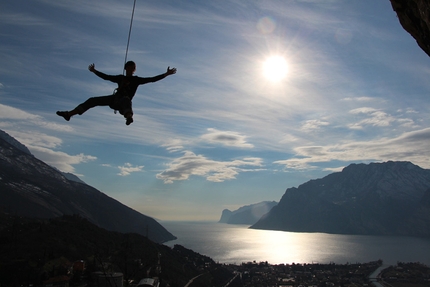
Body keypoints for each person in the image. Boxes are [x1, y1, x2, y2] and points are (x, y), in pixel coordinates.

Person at [56, 61, 177, 125]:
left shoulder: (136, 80)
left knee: (126, 100)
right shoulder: (120, 78)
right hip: (114, 100)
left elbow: (151, 79)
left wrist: (165, 74)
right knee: (92, 100)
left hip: (123, 104)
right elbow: (106, 77)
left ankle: (129, 117)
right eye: (128, 68)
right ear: (125, 69)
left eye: (131, 68)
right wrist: (94, 71)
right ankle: (69, 114)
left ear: (134, 70)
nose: (129, 70)